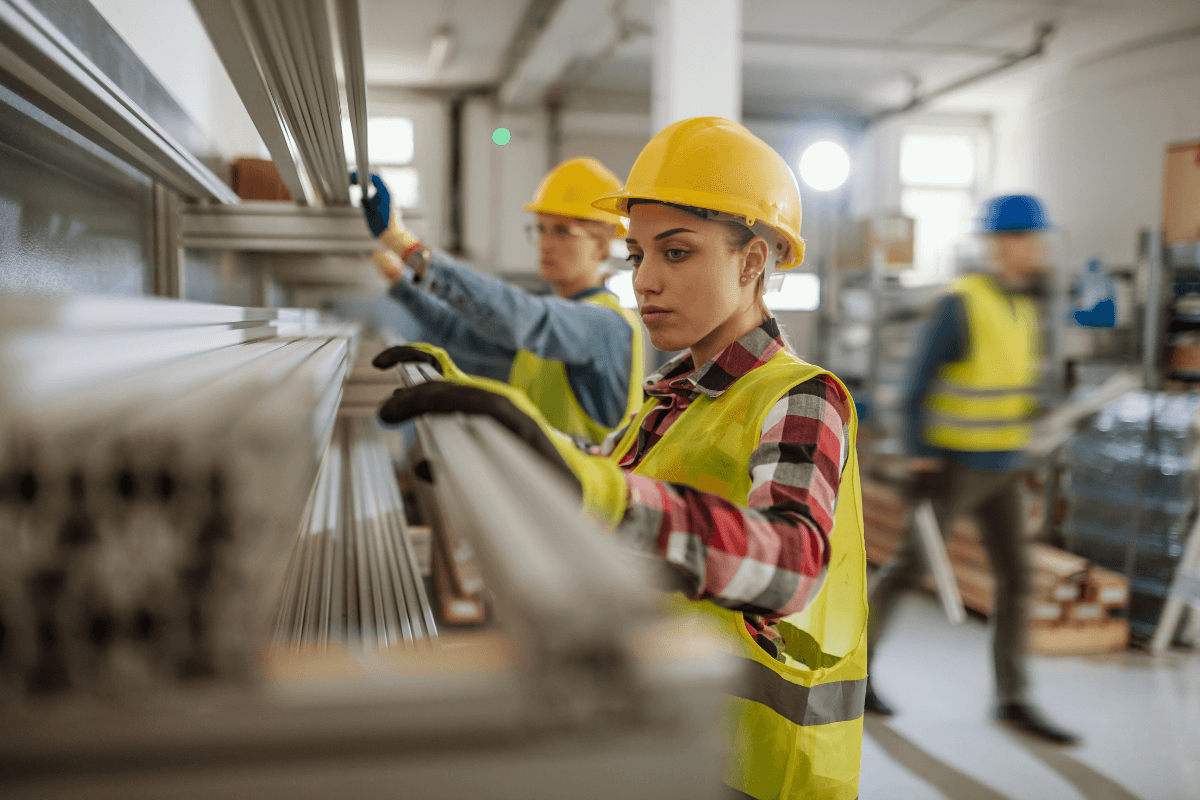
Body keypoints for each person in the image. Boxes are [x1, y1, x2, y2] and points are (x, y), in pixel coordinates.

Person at [373, 117, 868, 800]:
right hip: (666, 734)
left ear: (754, 261)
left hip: (755, 768)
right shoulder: (672, 395)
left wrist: (581, 480)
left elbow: (788, 566)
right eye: (638, 256)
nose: (647, 282)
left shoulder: (802, 397)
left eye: (678, 253)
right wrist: (485, 421)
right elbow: (593, 470)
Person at [865, 194, 1080, 745]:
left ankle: (1012, 697)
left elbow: (1014, 390)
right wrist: (919, 454)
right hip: (954, 470)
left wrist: (1043, 424)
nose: (1039, 250)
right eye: (1032, 239)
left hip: (1004, 470)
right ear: (1006, 243)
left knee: (1017, 579)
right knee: (906, 571)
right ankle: (855, 673)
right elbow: (910, 391)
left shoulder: (1025, 306)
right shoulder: (960, 304)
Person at [352, 158, 643, 445]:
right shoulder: (551, 329)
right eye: (541, 229)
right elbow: (458, 332)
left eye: (561, 230)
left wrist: (406, 246)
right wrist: (400, 283)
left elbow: (520, 316)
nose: (545, 243)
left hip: (579, 490)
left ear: (602, 244)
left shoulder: (605, 323)